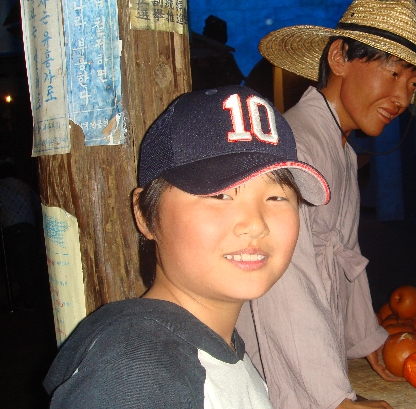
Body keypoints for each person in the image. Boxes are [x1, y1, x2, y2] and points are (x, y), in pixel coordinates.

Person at [235, 1, 416, 408]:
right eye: (394, 73)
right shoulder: (297, 147)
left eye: (413, 83)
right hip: (274, 374)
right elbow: (283, 286)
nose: (403, 97)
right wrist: (336, 400)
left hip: (313, 365)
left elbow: (342, 256)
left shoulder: (343, 151)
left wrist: (366, 337)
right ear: (339, 57)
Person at [42, 85, 330, 408]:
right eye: (219, 195)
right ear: (145, 214)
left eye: (277, 196)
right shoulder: (139, 373)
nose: (255, 223)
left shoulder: (220, 351)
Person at [0, 156, 41, 310]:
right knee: (30, 264)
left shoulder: (1, 187)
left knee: (21, 266)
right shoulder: (22, 185)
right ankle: (33, 298)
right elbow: (37, 204)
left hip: (14, 229)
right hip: (29, 227)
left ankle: (29, 301)